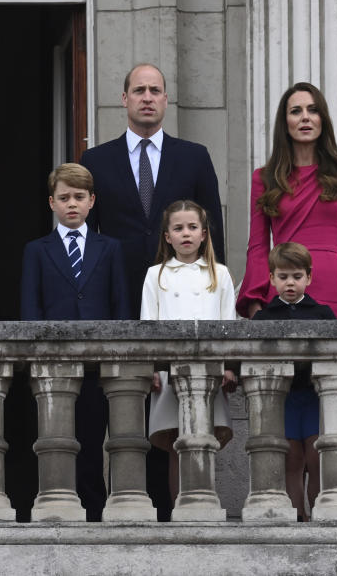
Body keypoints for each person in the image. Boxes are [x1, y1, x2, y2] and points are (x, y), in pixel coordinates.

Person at [80, 62, 224, 519]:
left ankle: (166, 507)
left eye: (155, 90)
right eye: (138, 90)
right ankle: (101, 504)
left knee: (169, 402)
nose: (147, 97)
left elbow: (212, 231)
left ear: (165, 100)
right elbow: (88, 234)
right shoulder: (96, 162)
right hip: (113, 298)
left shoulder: (194, 156)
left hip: (179, 298)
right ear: (123, 99)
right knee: (105, 403)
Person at [235, 82, 337, 463]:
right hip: (279, 296)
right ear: (284, 123)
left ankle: (332, 495)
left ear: (323, 119)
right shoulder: (263, 177)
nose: (305, 118)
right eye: (296, 111)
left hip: (333, 294)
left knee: (332, 396)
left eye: (312, 110)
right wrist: (255, 305)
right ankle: (289, 505)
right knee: (284, 398)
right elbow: (257, 246)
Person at [20, 163, 130, 521]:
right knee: (55, 438)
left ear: (92, 201)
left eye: (79, 197)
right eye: (64, 197)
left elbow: (121, 307)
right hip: (53, 365)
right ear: (51, 202)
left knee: (95, 437)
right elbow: (30, 309)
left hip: (99, 364)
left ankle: (95, 511)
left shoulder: (110, 248)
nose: (72, 204)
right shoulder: (37, 250)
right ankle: (56, 506)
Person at [140, 200, 236, 506]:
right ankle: (178, 508)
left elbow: (228, 325)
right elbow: (147, 325)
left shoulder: (219, 274)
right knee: (176, 444)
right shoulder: (155, 275)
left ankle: (205, 505)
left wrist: (230, 366)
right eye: (178, 228)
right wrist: (151, 367)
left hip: (209, 371)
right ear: (167, 236)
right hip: (170, 374)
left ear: (204, 234)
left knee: (204, 440)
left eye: (192, 227)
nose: (186, 234)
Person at [252, 242, 336, 521]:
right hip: (282, 399)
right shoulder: (264, 317)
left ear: (309, 278)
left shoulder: (323, 314)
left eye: (297, 276)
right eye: (283, 276)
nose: (290, 283)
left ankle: (319, 514)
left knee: (315, 459)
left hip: (313, 397)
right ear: (272, 278)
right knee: (292, 461)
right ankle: (298, 516)